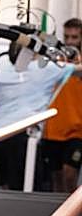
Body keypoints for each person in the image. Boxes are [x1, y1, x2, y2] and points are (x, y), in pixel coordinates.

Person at [0, 39, 74, 190]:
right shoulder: (47, 69)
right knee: (29, 189)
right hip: (23, 136)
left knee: (7, 187)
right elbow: (77, 68)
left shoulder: (0, 76)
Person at [40, 18, 82, 191]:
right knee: (56, 179)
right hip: (52, 131)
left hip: (77, 131)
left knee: (69, 174)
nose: (70, 41)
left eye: (75, 37)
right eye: (67, 37)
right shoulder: (55, 62)